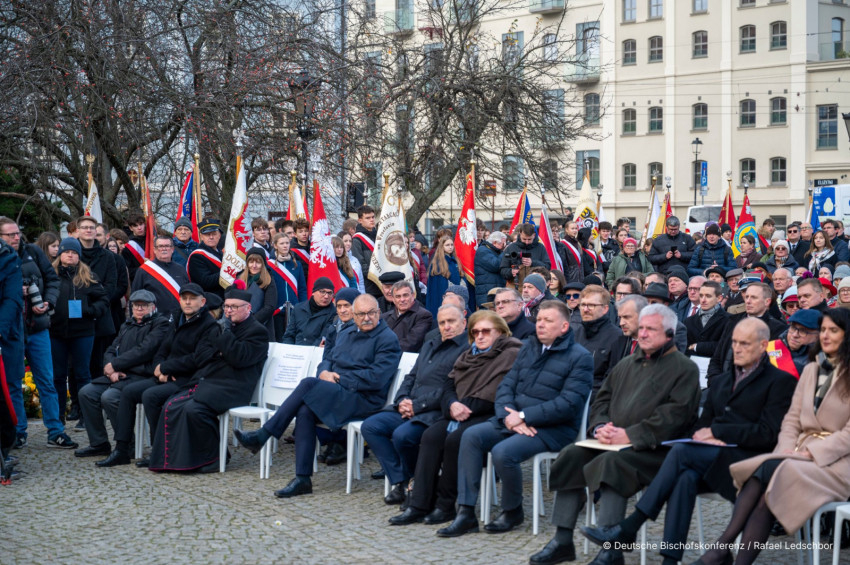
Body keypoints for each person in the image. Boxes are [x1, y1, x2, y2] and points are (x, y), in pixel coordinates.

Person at [582, 317, 796, 565]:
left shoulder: (780, 381)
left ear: (762, 346)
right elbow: (700, 427)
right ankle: (669, 560)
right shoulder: (723, 381)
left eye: (744, 344)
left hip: (750, 467)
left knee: (682, 452)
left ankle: (631, 525)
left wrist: (718, 433)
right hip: (713, 462)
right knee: (685, 478)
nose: (737, 349)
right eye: (734, 342)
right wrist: (706, 436)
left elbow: (768, 434)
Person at [530, 305, 700, 565]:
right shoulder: (626, 364)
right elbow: (601, 400)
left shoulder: (684, 368)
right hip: (613, 442)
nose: (643, 334)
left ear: (669, 334)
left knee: (613, 464)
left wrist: (630, 435)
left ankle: (611, 550)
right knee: (571, 455)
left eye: (650, 329)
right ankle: (562, 540)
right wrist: (600, 427)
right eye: (641, 328)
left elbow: (675, 416)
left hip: (657, 450)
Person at [693, 308, 850, 565]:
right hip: (796, 456)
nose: (825, 335)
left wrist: (810, 453)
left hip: (837, 463)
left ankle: (720, 550)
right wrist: (786, 449)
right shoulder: (812, 369)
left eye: (833, 330)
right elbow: (791, 419)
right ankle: (725, 553)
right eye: (823, 330)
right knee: (768, 484)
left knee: (768, 474)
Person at [436, 300, 593, 538]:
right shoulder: (529, 348)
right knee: (470, 436)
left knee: (504, 452)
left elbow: (569, 404)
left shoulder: (580, 357)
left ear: (564, 327)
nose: (540, 325)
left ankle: (512, 510)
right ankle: (466, 512)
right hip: (513, 420)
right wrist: (508, 416)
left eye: (547, 320)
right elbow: (506, 387)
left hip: (553, 428)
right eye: (538, 320)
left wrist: (524, 416)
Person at [234, 294, 401, 497]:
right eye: (361, 314)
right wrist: (324, 372)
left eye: (371, 313)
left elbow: (376, 378)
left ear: (379, 313)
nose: (366, 318)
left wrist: (339, 379)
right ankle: (302, 479)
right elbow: (329, 358)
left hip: (364, 399)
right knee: (305, 411)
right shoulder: (347, 331)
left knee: (308, 384)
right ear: (354, 315)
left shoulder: (387, 339)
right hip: (340, 393)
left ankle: (263, 434)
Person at [388, 308, 523, 525]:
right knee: (431, 436)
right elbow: (449, 385)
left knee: (454, 440)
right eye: (476, 332)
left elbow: (497, 393)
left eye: (486, 331)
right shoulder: (469, 354)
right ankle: (419, 504)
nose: (480, 336)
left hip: (488, 414)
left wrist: (461, 406)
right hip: (458, 410)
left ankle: (446, 505)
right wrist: (452, 404)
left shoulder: (510, 354)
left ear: (500, 332)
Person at [148, 280, 269, 473]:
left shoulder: (257, 332)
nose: (228, 311)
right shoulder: (221, 328)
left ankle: (215, 458)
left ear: (248, 308)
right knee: (171, 404)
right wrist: (222, 349)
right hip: (213, 381)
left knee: (194, 410)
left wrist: (225, 341)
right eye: (226, 307)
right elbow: (204, 354)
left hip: (235, 386)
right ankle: (176, 461)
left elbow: (238, 358)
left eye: (234, 307)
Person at [363, 304, 471, 506]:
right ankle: (403, 480)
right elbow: (411, 376)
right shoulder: (430, 343)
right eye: (442, 323)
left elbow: (453, 389)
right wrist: (402, 399)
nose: (446, 326)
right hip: (410, 406)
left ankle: (419, 483)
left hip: (435, 412)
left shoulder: (467, 349)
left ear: (463, 322)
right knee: (371, 426)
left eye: (451, 321)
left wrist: (417, 405)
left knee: (402, 436)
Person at [0, 219, 74, 449]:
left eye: (17, 233)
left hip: (37, 327)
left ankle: (55, 430)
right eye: (10, 235)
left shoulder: (32, 251)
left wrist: (48, 301)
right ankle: (18, 432)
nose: (16, 238)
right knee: (13, 382)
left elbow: (52, 280)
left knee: (46, 381)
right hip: (12, 331)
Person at [129, 283, 220, 468]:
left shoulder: (209, 325)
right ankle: (125, 447)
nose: (187, 302)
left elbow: (197, 359)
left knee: (151, 396)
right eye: (184, 298)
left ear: (202, 302)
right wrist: (158, 368)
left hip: (189, 379)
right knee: (130, 391)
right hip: (166, 375)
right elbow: (163, 348)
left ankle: (161, 451)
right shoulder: (176, 318)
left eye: (192, 299)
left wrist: (166, 368)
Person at [75, 289, 169, 463]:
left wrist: (116, 365)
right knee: (86, 392)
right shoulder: (127, 325)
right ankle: (99, 443)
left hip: (141, 376)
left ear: (153, 307)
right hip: (118, 375)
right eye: (136, 305)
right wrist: (111, 369)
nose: (139, 309)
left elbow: (144, 351)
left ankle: (127, 445)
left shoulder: (161, 324)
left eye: (143, 305)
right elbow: (111, 349)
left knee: (110, 397)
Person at [49, 238, 110, 429]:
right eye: (67, 252)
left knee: (83, 373)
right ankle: (58, 417)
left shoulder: (88, 275)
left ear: (79, 256)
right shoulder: (50, 274)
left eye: (74, 253)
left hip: (83, 331)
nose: (70, 255)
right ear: (60, 254)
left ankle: (86, 416)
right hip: (56, 331)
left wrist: (90, 311)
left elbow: (103, 300)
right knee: (58, 376)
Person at [707, 282, 788, 385]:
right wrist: (716, 381)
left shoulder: (778, 329)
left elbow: (774, 366)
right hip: (723, 384)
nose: (748, 301)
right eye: (747, 297)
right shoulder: (732, 321)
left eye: (754, 297)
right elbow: (717, 357)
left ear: (767, 302)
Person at [77, 215, 119, 392]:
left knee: (98, 363)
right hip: (77, 318)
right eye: (85, 227)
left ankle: (98, 400)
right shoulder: (71, 254)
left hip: (101, 316)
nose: (88, 230)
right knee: (78, 365)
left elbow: (110, 286)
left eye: (91, 228)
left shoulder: (108, 256)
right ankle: (78, 403)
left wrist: (95, 307)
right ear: (78, 231)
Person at [573, 285, 622, 400]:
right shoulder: (575, 334)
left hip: (595, 400)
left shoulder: (617, 337)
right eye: (583, 305)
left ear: (605, 309)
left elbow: (611, 380)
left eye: (591, 305)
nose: (585, 309)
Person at [0, 232, 23, 454]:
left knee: (7, 390)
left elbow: (12, 299)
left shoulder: (8, 258)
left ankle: (8, 442)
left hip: (4, 333)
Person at [131, 234, 189, 317]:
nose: (164, 249)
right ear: (154, 250)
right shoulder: (144, 270)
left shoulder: (181, 269)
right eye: (160, 246)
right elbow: (134, 297)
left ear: (172, 249)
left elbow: (187, 293)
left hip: (179, 318)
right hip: (155, 319)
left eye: (167, 246)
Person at [267, 232, 307, 340]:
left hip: (294, 310)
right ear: (275, 245)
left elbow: (302, 289)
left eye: (287, 243)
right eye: (282, 243)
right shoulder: (269, 265)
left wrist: (302, 307)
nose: (285, 246)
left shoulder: (297, 264)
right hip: (277, 310)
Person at [382, 280, 433, 353]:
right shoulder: (384, 317)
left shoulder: (423, 315)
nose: (402, 300)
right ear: (393, 299)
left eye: (405, 295)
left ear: (413, 296)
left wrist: (385, 352)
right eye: (398, 296)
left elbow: (411, 343)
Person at [237, 248, 278, 339]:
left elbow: (269, 307)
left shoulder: (268, 280)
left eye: (258, 262)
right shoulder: (239, 279)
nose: (254, 265)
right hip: (240, 327)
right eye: (251, 262)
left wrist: (251, 322)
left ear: (263, 264)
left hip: (262, 326)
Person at [282, 276, 337, 345]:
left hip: (316, 350)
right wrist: (291, 349)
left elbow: (323, 338)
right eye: (322, 292)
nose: (326, 296)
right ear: (313, 292)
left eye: (330, 293)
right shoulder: (298, 308)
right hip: (295, 349)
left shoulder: (334, 313)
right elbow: (289, 336)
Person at [768, 309, 821, 378]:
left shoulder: (820, 360)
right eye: (793, 328)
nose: (794, 335)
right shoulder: (770, 346)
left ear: (817, 335)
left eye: (803, 331)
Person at [684, 281, 729, 356]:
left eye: (708, 296)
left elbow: (726, 346)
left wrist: (698, 346)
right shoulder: (688, 321)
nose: (703, 300)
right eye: (701, 296)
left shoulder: (729, 320)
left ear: (719, 298)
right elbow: (684, 347)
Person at [186, 218, 224, 299]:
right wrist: (227, 272)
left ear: (219, 235)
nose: (211, 237)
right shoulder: (197, 256)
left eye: (214, 234)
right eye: (207, 234)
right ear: (201, 237)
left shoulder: (222, 253)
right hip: (209, 300)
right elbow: (205, 282)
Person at [426, 236, 463, 319]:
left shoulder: (455, 261)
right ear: (442, 246)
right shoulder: (437, 263)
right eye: (447, 245)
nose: (450, 247)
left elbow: (460, 276)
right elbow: (436, 287)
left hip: (455, 296)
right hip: (442, 296)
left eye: (452, 245)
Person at [351, 205, 380, 298]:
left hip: (382, 284)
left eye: (373, 217)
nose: (371, 220)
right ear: (360, 220)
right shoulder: (357, 239)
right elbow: (360, 264)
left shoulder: (379, 236)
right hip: (369, 285)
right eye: (367, 218)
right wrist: (376, 275)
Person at [474, 232, 507, 308]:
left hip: (495, 291)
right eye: (502, 243)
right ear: (494, 242)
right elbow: (495, 265)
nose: (504, 245)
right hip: (487, 295)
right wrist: (505, 252)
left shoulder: (495, 251)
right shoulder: (482, 251)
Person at [120, 212, 147, 282]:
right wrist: (145, 269)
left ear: (144, 224)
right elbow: (128, 270)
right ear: (131, 228)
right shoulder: (128, 246)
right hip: (138, 280)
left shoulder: (152, 240)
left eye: (141, 224)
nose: (139, 228)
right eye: (135, 226)